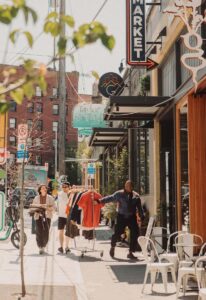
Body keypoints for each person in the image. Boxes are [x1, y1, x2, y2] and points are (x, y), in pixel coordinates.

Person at [98, 180, 144, 260]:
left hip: (131, 217)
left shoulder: (136, 196)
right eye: (126, 186)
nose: (127, 187)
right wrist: (99, 201)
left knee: (135, 233)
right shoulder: (119, 194)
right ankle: (113, 246)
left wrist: (141, 215)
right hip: (121, 216)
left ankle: (131, 252)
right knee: (117, 233)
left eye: (129, 186)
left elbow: (139, 208)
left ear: (132, 187)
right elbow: (110, 198)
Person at [31, 184, 55, 254]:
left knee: (46, 232)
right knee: (39, 232)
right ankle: (40, 246)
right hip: (38, 217)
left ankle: (44, 245)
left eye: (45, 188)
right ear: (40, 190)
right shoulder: (36, 198)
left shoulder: (50, 198)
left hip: (47, 217)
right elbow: (33, 207)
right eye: (42, 188)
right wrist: (38, 207)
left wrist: (47, 207)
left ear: (46, 190)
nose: (44, 189)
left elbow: (54, 208)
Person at [56, 181, 71, 254]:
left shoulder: (71, 194)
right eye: (63, 186)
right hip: (61, 215)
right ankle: (61, 247)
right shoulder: (59, 194)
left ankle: (67, 247)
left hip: (68, 216)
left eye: (65, 187)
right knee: (61, 231)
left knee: (68, 232)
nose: (64, 188)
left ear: (69, 187)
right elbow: (57, 203)